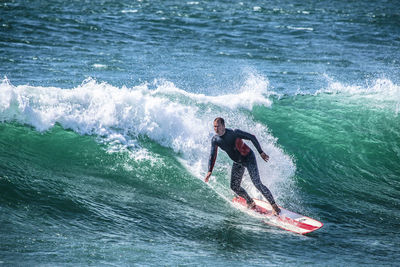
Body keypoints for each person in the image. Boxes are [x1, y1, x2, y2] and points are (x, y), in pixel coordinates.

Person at [204, 117, 281, 215]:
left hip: (249, 159)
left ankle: (274, 206)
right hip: (238, 162)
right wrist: (209, 170)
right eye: (214, 126)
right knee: (234, 186)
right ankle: (250, 202)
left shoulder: (234, 133)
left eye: (218, 126)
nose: (215, 129)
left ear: (223, 126)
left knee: (257, 183)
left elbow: (252, 137)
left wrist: (261, 152)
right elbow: (212, 154)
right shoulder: (215, 140)